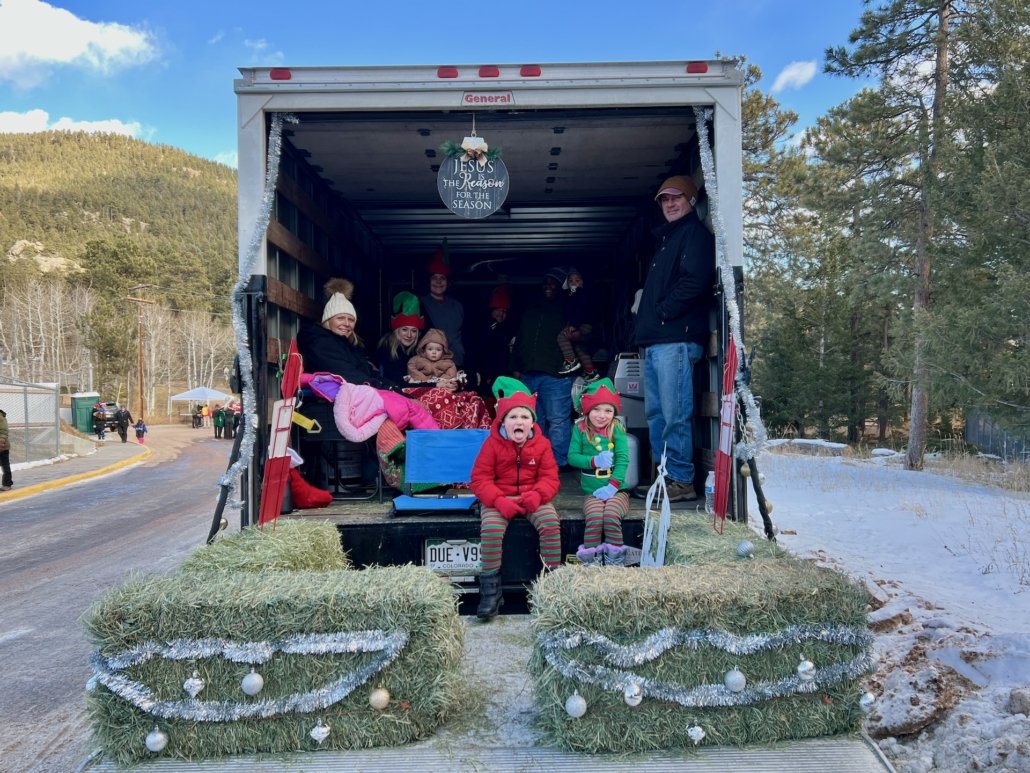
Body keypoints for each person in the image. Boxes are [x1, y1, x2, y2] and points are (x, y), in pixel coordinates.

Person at [632, 174, 715, 502]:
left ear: (692, 201)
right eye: (665, 200)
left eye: (676, 198)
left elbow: (695, 281)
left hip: (675, 340)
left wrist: (664, 312)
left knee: (674, 412)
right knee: (656, 414)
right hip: (656, 341)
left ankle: (681, 479)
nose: (670, 204)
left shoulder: (693, 235)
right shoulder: (667, 239)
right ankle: (665, 477)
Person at [470, 377, 561, 620]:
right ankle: (490, 591)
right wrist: (498, 501)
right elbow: (480, 480)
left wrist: (538, 496)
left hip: (533, 496)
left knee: (551, 523)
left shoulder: (542, 445)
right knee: (490, 529)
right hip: (500, 498)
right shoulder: (492, 445)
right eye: (512, 417)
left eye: (524, 417)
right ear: (503, 421)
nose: (518, 422)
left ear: (532, 422)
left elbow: (551, 477)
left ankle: (551, 586)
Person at [510, 268, 575, 468]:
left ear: (561, 286)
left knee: (558, 421)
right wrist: (515, 366)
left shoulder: (568, 308)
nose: (548, 286)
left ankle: (558, 464)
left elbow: (582, 334)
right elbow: (520, 338)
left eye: (554, 283)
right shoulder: (531, 308)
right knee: (531, 421)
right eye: (545, 282)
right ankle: (536, 461)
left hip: (556, 375)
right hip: (528, 374)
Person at [568, 378, 631, 566]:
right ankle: (591, 567)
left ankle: (615, 565)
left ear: (614, 413)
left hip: (617, 491)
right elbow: (572, 457)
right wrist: (593, 461)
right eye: (596, 409)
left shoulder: (617, 429)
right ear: (587, 409)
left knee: (611, 515)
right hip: (592, 492)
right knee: (595, 517)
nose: (602, 415)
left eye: (608, 410)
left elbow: (623, 460)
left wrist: (613, 486)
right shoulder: (579, 429)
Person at [466, 284, 514, 406]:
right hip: (480, 376)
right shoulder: (480, 327)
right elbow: (475, 352)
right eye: (498, 309)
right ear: (491, 310)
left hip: (498, 377)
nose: (501, 314)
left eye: (504, 311)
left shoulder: (507, 330)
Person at [420, 241, 466, 367]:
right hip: (430, 362)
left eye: (443, 278)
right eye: (434, 278)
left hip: (456, 360)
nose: (438, 282)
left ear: (448, 282)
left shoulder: (457, 306)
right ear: (428, 281)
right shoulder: (420, 303)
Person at [556, 266, 600, 382]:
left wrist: (573, 325)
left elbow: (581, 310)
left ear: (582, 282)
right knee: (580, 349)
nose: (574, 283)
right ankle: (590, 372)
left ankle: (570, 361)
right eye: (571, 281)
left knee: (562, 337)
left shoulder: (582, 294)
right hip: (582, 325)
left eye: (577, 280)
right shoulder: (570, 295)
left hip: (583, 324)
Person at [376, 291, 425, 384]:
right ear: (397, 330)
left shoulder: (417, 350)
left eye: (414, 331)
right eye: (404, 329)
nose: (409, 335)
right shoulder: (387, 349)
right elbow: (397, 383)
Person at [0, 408, 13, 491]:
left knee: (5, 466)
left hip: (2, 446)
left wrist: (1, 442)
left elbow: (4, 431)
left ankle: (7, 484)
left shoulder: (0, 417)